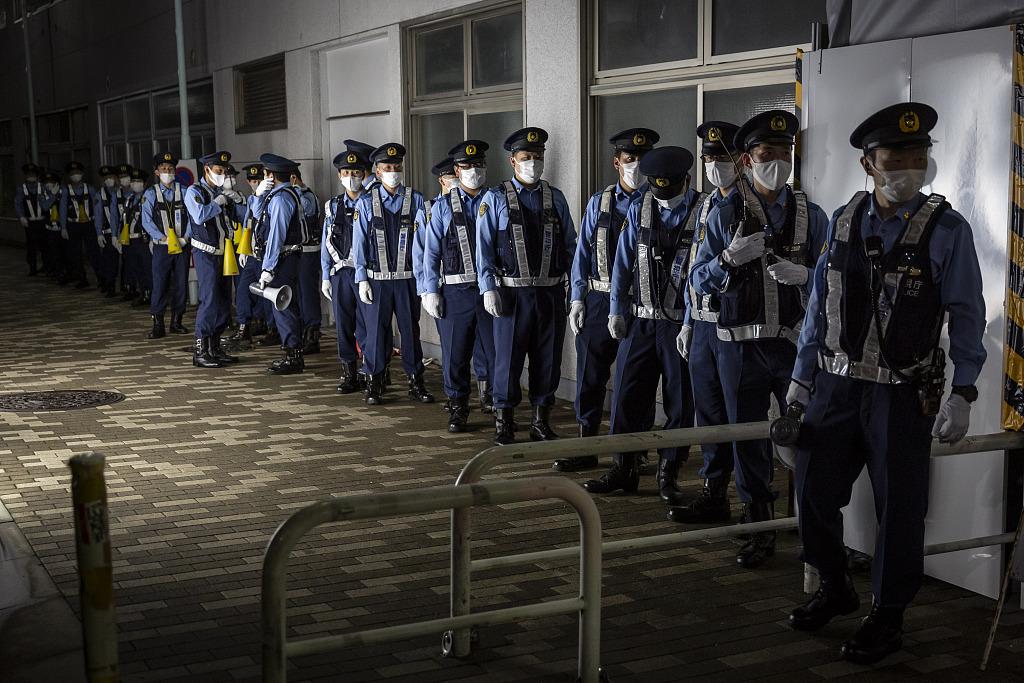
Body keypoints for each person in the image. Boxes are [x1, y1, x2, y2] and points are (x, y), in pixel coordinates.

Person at [786, 103, 985, 664]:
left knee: (899, 508)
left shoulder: (947, 230)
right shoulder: (845, 221)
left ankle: (888, 615)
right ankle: (834, 585)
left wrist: (964, 390)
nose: (907, 166)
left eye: (917, 155)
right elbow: (819, 310)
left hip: (901, 395)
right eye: (894, 157)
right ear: (867, 163)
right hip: (834, 387)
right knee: (812, 493)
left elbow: (968, 314)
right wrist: (801, 382)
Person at [690, 109, 830, 568]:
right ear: (747, 161)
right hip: (739, 347)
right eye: (767, 154)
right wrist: (727, 260)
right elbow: (698, 280)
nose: (778, 162)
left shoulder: (813, 214)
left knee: (808, 434)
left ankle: (814, 527)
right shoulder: (724, 212)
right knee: (747, 437)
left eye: (784, 153)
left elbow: (836, 284)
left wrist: (807, 275)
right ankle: (758, 527)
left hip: (793, 346)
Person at [582, 146, 704, 505]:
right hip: (641, 319)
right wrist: (615, 311)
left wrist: (692, 322)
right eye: (658, 190)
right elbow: (621, 265)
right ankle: (624, 466)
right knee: (626, 395)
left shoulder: (705, 210)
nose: (663, 199)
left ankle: (669, 470)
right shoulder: (640, 207)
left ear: (687, 180)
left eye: (671, 191)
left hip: (681, 325)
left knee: (680, 402)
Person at [560, 127, 657, 472]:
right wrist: (577, 299)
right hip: (600, 299)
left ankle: (636, 449)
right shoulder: (599, 202)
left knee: (638, 381)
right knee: (591, 375)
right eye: (630, 160)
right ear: (617, 162)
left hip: (641, 304)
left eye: (643, 160)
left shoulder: (655, 202)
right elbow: (582, 253)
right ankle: (588, 444)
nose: (637, 166)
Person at [477, 126, 577, 445]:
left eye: (537, 157)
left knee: (547, 358)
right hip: (511, 293)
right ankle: (504, 420)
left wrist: (575, 289)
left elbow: (571, 245)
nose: (532, 162)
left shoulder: (555, 198)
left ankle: (540, 420)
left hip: (549, 291)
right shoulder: (494, 198)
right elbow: (484, 247)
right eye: (526, 157)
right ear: (513, 161)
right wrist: (488, 287)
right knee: (507, 359)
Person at [668, 121, 744, 523]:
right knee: (710, 416)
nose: (715, 165)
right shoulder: (707, 204)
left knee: (740, 421)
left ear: (741, 160)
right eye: (709, 158)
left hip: (734, 330)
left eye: (722, 157)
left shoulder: (750, 205)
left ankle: (755, 508)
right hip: (701, 324)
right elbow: (692, 267)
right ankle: (715, 492)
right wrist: (686, 320)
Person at [352, 142, 434, 405]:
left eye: (397, 167)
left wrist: (425, 282)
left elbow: (424, 243)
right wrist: (361, 277)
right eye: (387, 168)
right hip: (377, 281)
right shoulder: (366, 203)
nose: (393, 172)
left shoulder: (417, 200)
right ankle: (375, 382)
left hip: (407, 279)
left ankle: (415, 381)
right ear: (377, 172)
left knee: (411, 331)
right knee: (375, 333)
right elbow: (359, 243)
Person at [422, 140, 495, 432]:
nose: (473, 171)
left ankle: (495, 400)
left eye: (478, 165)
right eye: (466, 166)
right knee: (456, 353)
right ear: (456, 170)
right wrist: (430, 291)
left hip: (492, 290)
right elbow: (431, 252)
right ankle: (458, 406)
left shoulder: (497, 200)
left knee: (493, 351)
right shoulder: (441, 207)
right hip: (456, 291)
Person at [184, 150, 247, 368]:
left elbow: (242, 218)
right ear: (207, 170)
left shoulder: (223, 192)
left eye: (224, 171)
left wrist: (239, 201)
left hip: (225, 252)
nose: (222, 175)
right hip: (205, 252)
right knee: (209, 299)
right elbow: (199, 215)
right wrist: (218, 202)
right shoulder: (194, 191)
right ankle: (200, 349)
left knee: (223, 300)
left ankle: (215, 346)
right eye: (218, 171)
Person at [253, 153, 310, 375]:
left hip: (282, 260)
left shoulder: (280, 199)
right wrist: (258, 195)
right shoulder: (278, 194)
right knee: (286, 306)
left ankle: (293, 355)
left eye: (264, 174)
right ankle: (292, 351)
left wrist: (268, 268)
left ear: (270, 175)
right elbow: (258, 215)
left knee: (283, 306)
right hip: (285, 259)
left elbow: (276, 236)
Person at [322, 145, 371, 393]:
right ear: (339, 176)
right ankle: (349, 372)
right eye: (345, 173)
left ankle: (369, 371)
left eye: (356, 172)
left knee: (366, 326)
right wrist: (325, 275)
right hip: (340, 273)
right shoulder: (332, 206)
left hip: (365, 275)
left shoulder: (372, 202)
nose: (351, 177)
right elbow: (326, 241)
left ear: (364, 174)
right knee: (343, 324)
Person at [142, 152, 191, 339]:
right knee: (160, 283)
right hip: (162, 246)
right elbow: (146, 221)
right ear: (156, 172)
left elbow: (193, 218)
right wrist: (161, 238)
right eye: (164, 169)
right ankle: (158, 323)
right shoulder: (150, 193)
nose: (167, 172)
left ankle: (177, 321)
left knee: (180, 283)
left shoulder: (185, 191)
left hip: (182, 245)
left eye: (170, 169)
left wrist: (186, 238)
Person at [224, 163, 271, 350]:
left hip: (265, 254)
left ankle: (270, 327)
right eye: (252, 181)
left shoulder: (271, 199)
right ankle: (244, 327)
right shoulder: (252, 199)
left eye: (258, 180)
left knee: (265, 294)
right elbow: (247, 224)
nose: (255, 184)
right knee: (243, 290)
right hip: (251, 252)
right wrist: (243, 250)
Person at [291, 169, 323, 354]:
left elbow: (307, 212)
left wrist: (296, 192)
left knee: (308, 293)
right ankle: (303, 330)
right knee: (299, 294)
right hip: (296, 252)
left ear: (294, 179)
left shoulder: (308, 196)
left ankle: (312, 333)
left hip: (309, 252)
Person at [58, 161, 98, 289]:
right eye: (73, 174)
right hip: (73, 225)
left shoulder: (89, 188)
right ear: (69, 176)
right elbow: (63, 209)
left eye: (78, 173)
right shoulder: (66, 191)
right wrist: (63, 227)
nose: (76, 176)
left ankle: (101, 277)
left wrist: (98, 226)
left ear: (82, 174)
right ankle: (81, 277)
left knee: (93, 252)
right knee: (75, 253)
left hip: (89, 224)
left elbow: (97, 207)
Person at [121, 168, 152, 309]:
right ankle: (143, 292)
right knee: (137, 268)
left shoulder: (149, 196)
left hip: (144, 239)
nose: (135, 184)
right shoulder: (130, 199)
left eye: (138, 181)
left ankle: (151, 294)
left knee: (148, 268)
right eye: (133, 181)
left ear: (144, 183)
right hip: (131, 239)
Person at [14, 163, 48, 276]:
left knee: (45, 245)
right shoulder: (21, 188)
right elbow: (18, 204)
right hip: (30, 222)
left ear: (37, 175)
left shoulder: (42, 187)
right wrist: (21, 217)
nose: (31, 176)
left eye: (33, 174)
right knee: (31, 246)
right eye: (28, 174)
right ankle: (32, 267)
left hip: (43, 221)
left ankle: (47, 266)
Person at [94, 165, 122, 298]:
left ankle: (126, 287)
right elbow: (98, 214)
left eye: (110, 177)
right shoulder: (100, 194)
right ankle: (109, 286)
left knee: (126, 262)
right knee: (109, 262)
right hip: (109, 232)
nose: (108, 180)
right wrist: (99, 233)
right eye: (106, 178)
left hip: (123, 232)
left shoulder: (121, 191)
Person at [40, 170, 64, 279]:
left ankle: (67, 272)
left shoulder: (63, 192)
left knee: (65, 252)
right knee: (53, 252)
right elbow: (45, 206)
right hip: (50, 229)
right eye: (46, 182)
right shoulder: (42, 195)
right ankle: (56, 272)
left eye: (51, 182)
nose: (48, 184)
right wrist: (53, 195)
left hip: (62, 228)